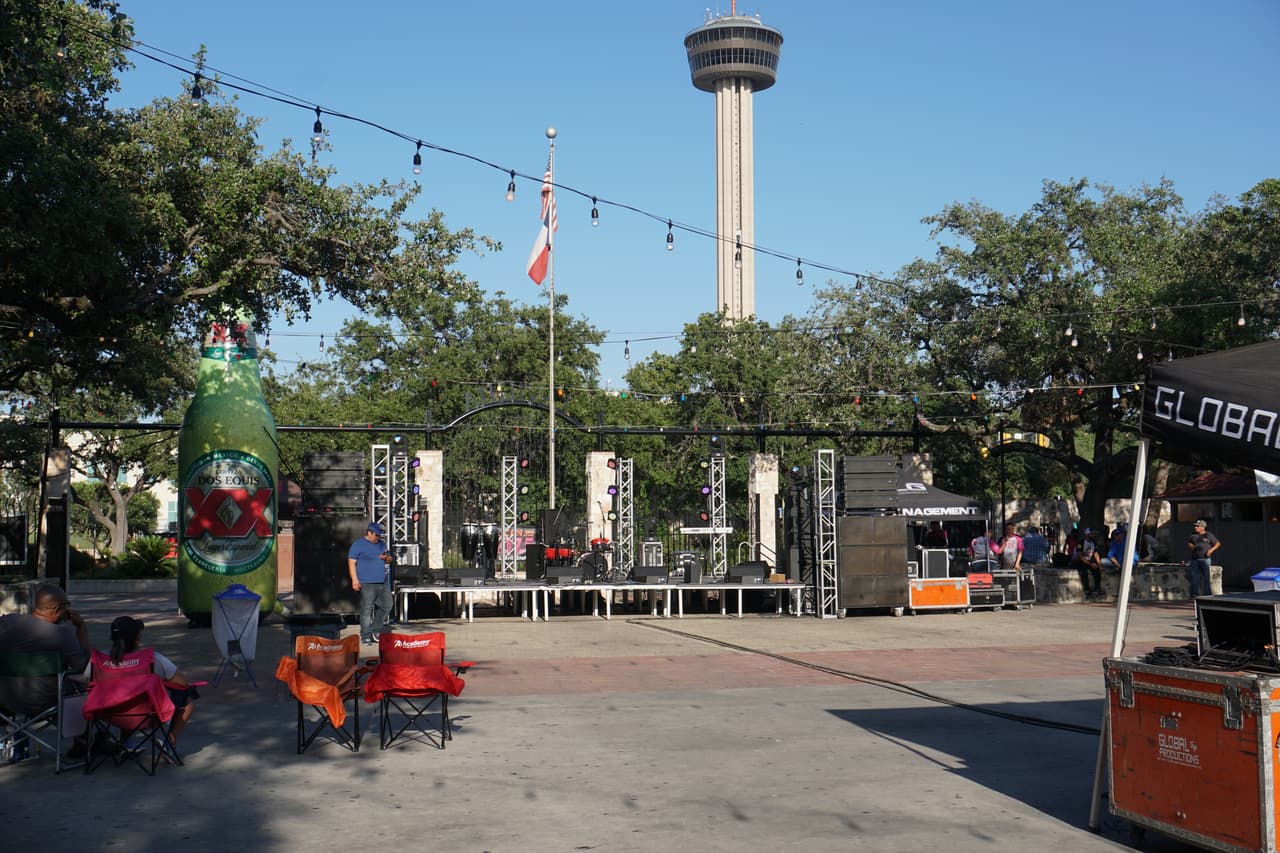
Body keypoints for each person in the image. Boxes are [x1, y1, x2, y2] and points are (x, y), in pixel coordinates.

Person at [0, 584, 92, 759]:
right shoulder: (62, 635)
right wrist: (81, 628)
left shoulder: (7, 622)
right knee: (82, 687)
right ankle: (82, 742)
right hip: (45, 701)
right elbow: (85, 666)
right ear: (57, 610)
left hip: (5, 700)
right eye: (66, 606)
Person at [107, 616, 197, 745]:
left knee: (123, 695)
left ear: (112, 638)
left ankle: (124, 743)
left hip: (110, 714)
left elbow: (87, 680)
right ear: (138, 638)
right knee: (187, 701)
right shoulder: (152, 659)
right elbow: (183, 682)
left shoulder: (101, 660)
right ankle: (169, 742)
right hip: (147, 716)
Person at [349, 521, 393, 646]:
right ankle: (365, 635)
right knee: (366, 609)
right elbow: (351, 562)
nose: (378, 538)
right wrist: (354, 580)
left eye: (379, 535)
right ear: (369, 533)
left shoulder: (382, 544)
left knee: (387, 605)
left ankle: (375, 628)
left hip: (382, 581)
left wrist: (386, 558)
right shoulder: (358, 544)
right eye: (376, 535)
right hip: (366, 582)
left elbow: (389, 559)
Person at [1186, 519, 1221, 597]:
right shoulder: (1193, 535)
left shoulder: (1209, 535)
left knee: (1206, 578)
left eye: (1197, 526)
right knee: (1194, 578)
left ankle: (1207, 595)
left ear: (1203, 527)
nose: (1195, 527)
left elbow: (1218, 544)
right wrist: (1190, 545)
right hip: (1195, 559)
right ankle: (1194, 595)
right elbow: (1189, 542)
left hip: (1205, 560)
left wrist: (1211, 550)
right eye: (1195, 526)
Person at [1072, 528, 1102, 598]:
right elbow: (1079, 556)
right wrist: (1090, 564)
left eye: (1094, 534)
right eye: (1092, 534)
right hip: (1080, 561)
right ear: (1087, 534)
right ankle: (1087, 589)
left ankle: (1097, 589)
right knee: (1083, 572)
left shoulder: (1094, 542)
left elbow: (1095, 553)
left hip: (1089, 560)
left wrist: (1099, 564)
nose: (1094, 535)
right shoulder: (1081, 543)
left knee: (1097, 571)